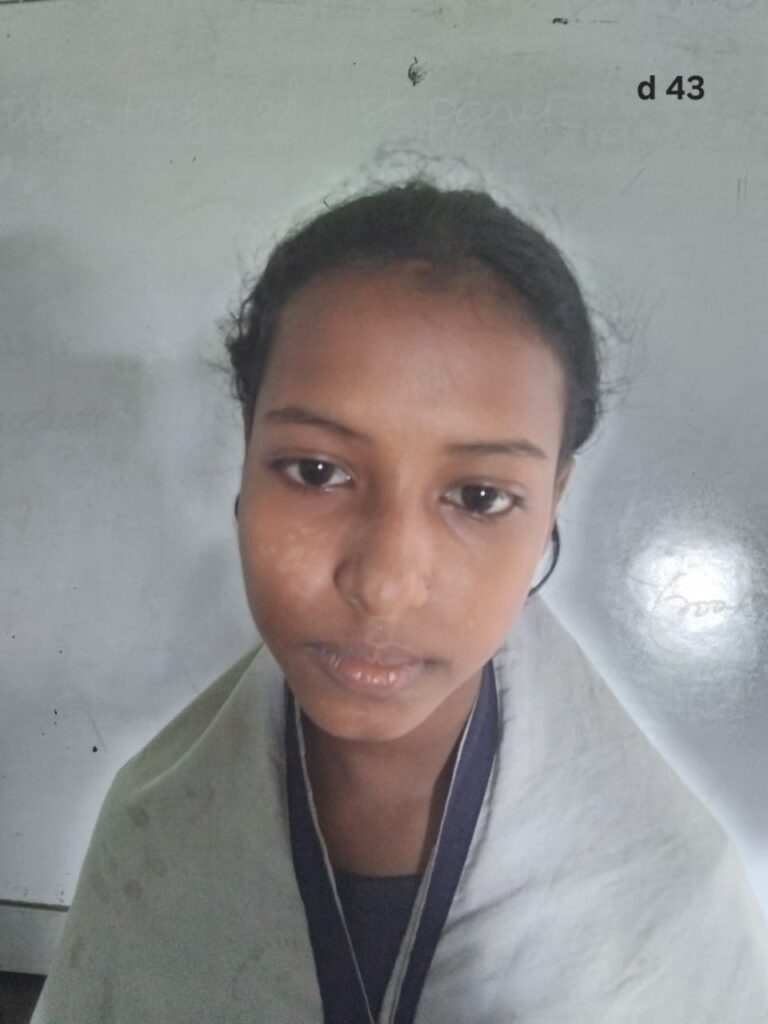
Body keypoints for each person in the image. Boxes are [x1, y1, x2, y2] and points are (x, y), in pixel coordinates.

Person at [31, 178, 768, 1023]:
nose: (383, 586)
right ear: (246, 455)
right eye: (317, 471)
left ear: (552, 504)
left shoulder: (667, 898)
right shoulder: (153, 837)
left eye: (480, 497)